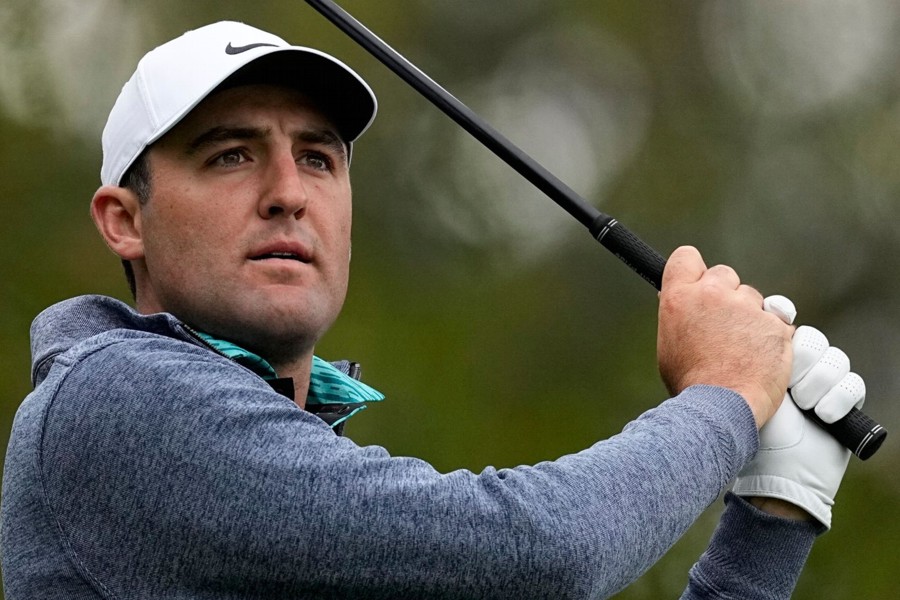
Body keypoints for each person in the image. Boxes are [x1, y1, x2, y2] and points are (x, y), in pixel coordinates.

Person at [0, 21, 866, 599]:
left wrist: (774, 513)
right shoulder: (117, 401)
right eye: (230, 155)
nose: (287, 193)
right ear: (125, 221)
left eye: (319, 159)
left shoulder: (302, 486)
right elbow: (543, 554)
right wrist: (725, 396)